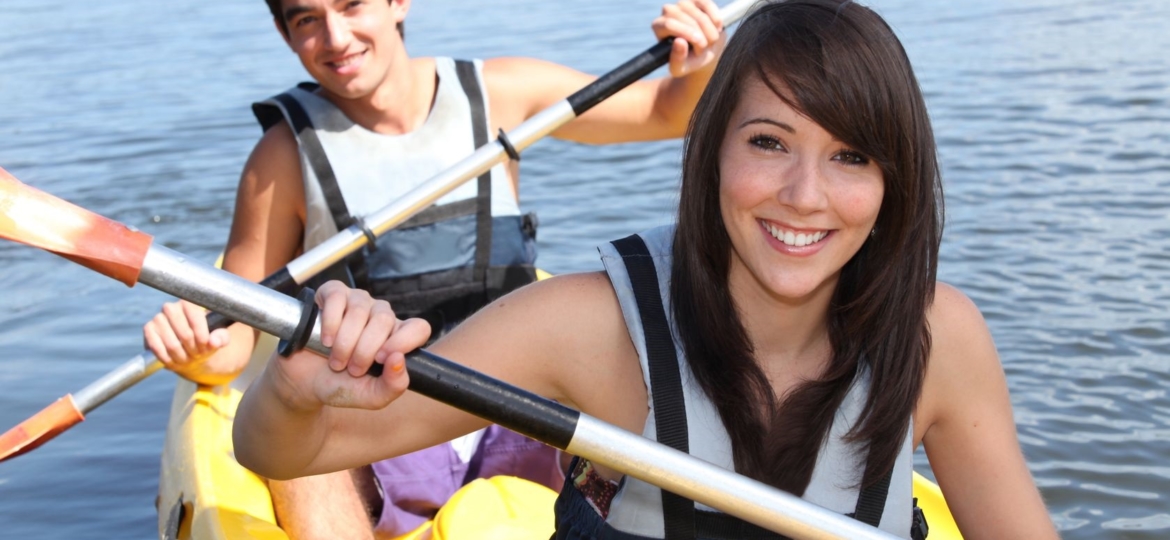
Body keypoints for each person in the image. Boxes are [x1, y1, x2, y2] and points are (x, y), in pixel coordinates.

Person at [233, 0, 1062, 538]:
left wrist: (692, 61)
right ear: (710, 155)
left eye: (851, 156)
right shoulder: (586, 326)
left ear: (895, 183)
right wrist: (291, 389)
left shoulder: (938, 337)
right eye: (768, 143)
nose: (805, 196)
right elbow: (282, 452)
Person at [141, 0, 726, 537]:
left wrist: (697, 61)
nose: (336, 37)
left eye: (351, 6)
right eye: (307, 19)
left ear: (398, 2)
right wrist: (194, 344)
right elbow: (234, 336)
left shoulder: (500, 93)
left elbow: (669, 112)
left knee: (629, 378)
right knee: (297, 459)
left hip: (516, 393)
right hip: (381, 407)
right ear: (284, 32)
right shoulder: (280, 160)